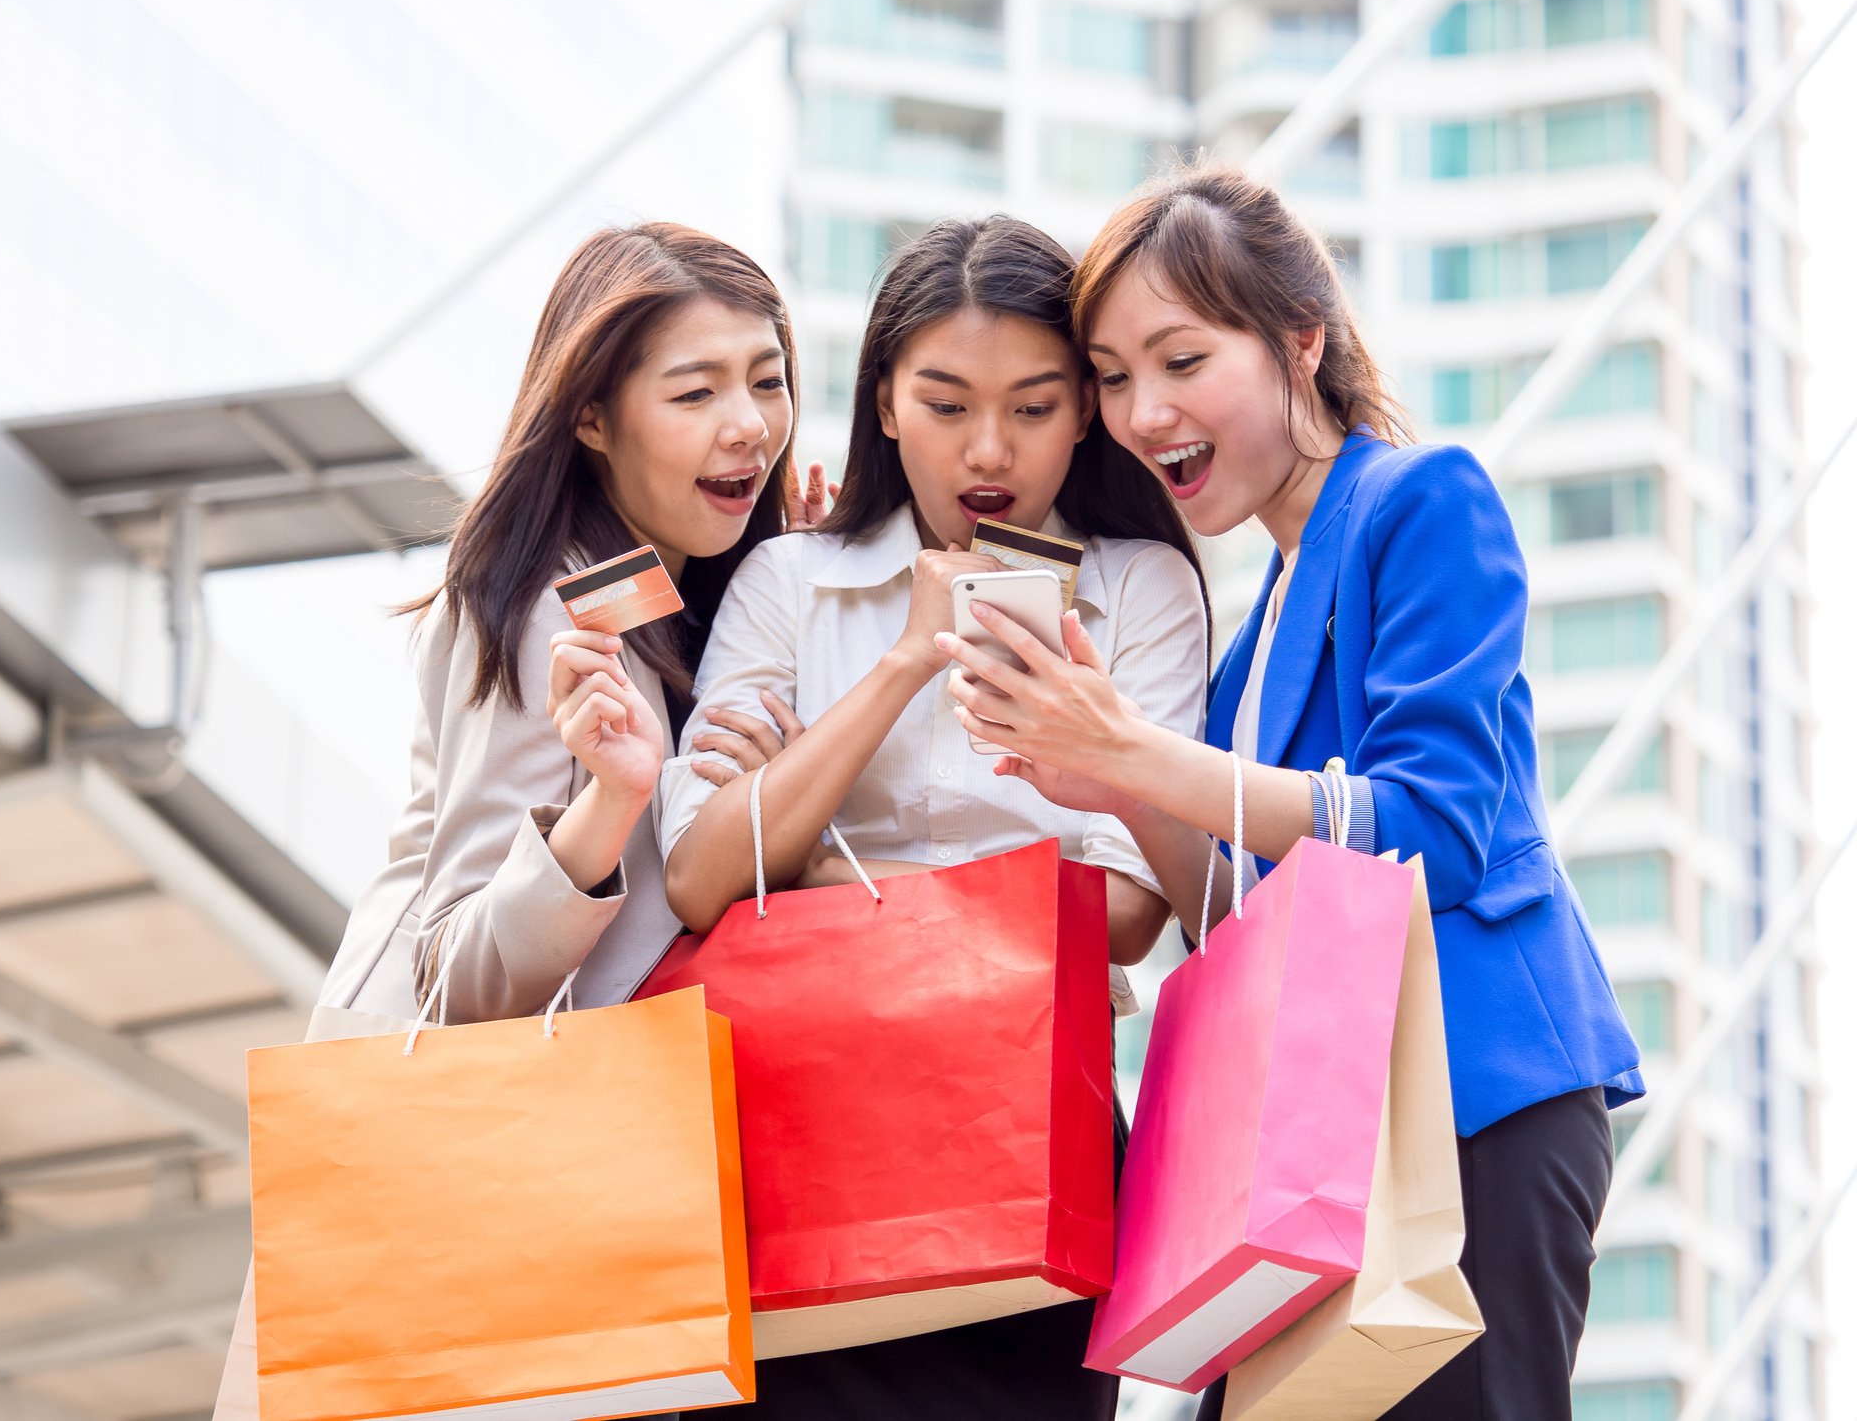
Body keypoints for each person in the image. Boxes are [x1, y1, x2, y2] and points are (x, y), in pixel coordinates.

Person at [935, 160, 1644, 1421]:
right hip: (1312, 1144)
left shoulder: (1423, 502)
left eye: (1179, 358)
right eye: (1109, 376)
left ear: (1299, 341)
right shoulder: (1253, 621)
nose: (1143, 411)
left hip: (1464, 1109)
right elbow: (1250, 910)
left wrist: (1139, 756)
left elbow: (1429, 828)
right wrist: (1111, 776)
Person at [661, 214, 1210, 1420]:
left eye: (1033, 404)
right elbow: (700, 880)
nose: (988, 449)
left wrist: (800, 860)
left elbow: (1123, 915)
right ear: (885, 403)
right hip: (788, 1139)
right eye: (947, 402)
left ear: (1084, 412)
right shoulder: (786, 581)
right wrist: (908, 658)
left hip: (1026, 1136)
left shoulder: (1138, 590)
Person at [319, 220, 806, 1025]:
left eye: (767, 380)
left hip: (648, 1094)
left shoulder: (727, 592)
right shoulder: (541, 604)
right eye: (695, 392)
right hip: (481, 1117)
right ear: (591, 417)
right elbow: (459, 982)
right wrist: (610, 802)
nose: (750, 424)